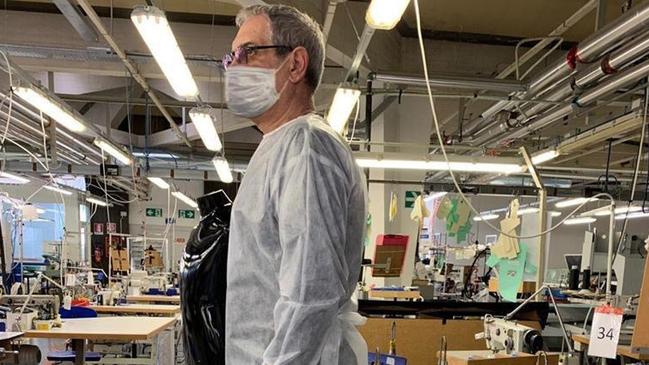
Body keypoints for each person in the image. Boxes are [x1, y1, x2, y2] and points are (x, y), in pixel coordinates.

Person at [223, 4, 368, 365]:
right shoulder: (279, 145)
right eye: (231, 57)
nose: (234, 66)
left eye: (248, 53)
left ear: (296, 65)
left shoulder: (306, 148)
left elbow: (311, 291)